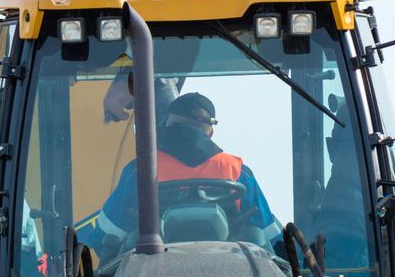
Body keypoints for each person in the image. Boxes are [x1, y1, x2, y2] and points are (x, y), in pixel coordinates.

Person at [78, 91, 278, 251]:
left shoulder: (140, 170)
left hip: (149, 276)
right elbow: (269, 235)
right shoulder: (237, 170)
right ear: (210, 131)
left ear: (165, 124)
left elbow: (108, 233)